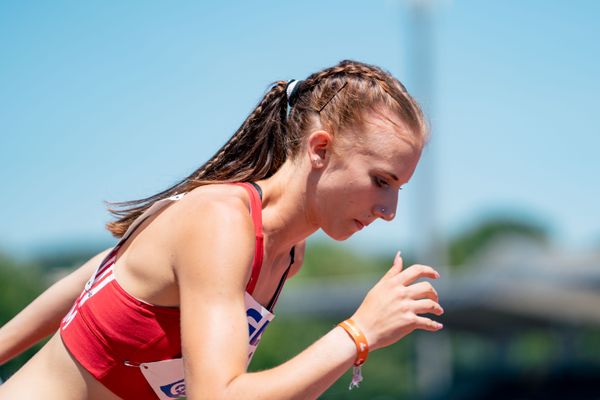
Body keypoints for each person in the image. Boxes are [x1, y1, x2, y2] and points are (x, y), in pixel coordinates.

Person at [0, 59, 444, 400]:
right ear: (320, 149)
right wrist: (357, 333)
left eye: (400, 187)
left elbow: (106, 270)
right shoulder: (219, 222)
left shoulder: (288, 253)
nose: (390, 210)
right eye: (381, 181)